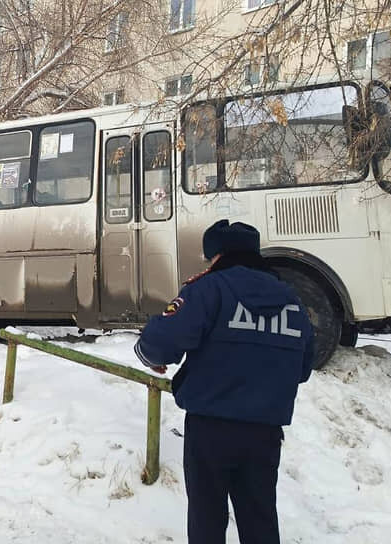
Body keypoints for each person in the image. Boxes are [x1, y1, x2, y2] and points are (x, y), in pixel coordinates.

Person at [134, 219, 314, 544]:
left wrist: (150, 355)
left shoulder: (208, 289)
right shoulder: (291, 299)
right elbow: (303, 366)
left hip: (210, 429)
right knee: (259, 518)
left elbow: (161, 342)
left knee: (207, 518)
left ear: (217, 256)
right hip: (265, 432)